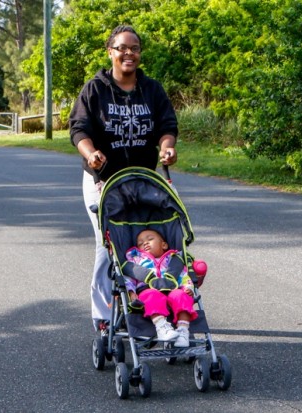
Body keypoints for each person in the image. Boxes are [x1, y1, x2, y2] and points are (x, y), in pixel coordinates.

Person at [69, 25, 179, 332]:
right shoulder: (95, 89)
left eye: (135, 48)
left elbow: (167, 125)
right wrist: (91, 152)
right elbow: (79, 129)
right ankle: (104, 317)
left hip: (142, 180)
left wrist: (167, 148)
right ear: (110, 52)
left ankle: (149, 306)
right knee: (108, 246)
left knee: (145, 243)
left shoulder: (152, 89)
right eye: (122, 48)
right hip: (103, 181)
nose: (129, 53)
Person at [122, 229, 198, 347]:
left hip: (172, 289)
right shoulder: (136, 260)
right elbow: (129, 279)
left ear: (164, 245)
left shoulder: (172, 260)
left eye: (150, 239)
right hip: (147, 290)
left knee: (182, 296)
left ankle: (183, 331)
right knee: (152, 295)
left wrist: (188, 287)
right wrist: (131, 293)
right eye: (140, 243)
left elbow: (183, 275)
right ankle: (162, 327)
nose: (145, 243)